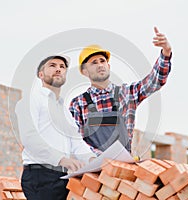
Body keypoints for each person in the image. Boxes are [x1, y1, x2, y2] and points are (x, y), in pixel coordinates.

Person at [69, 27, 172, 156]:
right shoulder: (77, 104)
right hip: (93, 169)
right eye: (94, 63)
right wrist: (99, 158)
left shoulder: (127, 94)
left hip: (123, 167)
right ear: (85, 71)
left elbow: (155, 81)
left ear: (108, 66)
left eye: (102, 61)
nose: (100, 65)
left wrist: (166, 53)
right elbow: (76, 140)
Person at [15, 55, 97, 200]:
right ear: (41, 74)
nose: (58, 69)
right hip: (40, 176)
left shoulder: (64, 110)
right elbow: (29, 138)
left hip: (63, 176)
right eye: (52, 66)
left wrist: (93, 160)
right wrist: (62, 160)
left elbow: (76, 141)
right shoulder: (31, 100)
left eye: (62, 67)